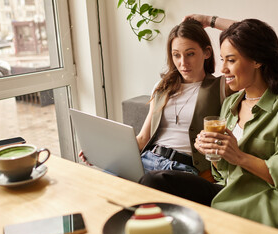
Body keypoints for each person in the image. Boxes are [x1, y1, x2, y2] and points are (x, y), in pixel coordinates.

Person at [139, 15, 278, 234]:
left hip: (264, 201)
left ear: (257, 60)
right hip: (228, 191)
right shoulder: (231, 104)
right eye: (222, 59)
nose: (223, 69)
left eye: (231, 60)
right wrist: (215, 155)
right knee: (155, 180)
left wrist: (239, 156)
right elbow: (222, 175)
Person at [80, 19, 234, 181]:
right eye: (176, 55)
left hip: (182, 169)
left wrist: (210, 20)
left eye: (190, 54)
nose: (183, 63)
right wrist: (101, 153)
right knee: (101, 182)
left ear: (207, 52)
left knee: (147, 185)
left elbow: (254, 39)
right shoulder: (162, 87)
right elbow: (142, 139)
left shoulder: (222, 86)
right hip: (146, 159)